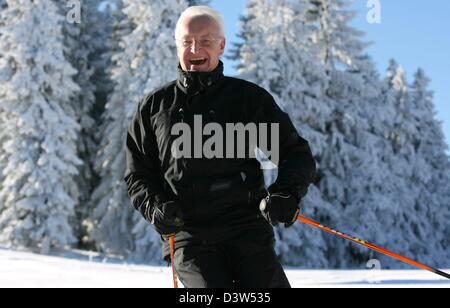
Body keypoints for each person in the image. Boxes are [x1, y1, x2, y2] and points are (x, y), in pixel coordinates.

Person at [124, 6, 316, 288]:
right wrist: (156, 209)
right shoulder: (154, 108)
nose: (194, 48)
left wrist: (286, 194)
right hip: (189, 235)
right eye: (187, 41)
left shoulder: (248, 100)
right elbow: (138, 175)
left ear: (221, 45)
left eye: (205, 40)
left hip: (246, 229)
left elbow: (295, 154)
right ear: (177, 46)